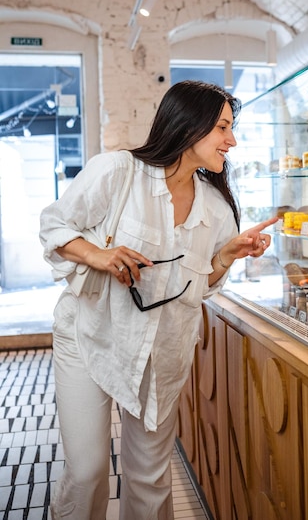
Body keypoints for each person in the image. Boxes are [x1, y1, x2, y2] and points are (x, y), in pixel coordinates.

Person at [39, 80, 277, 520]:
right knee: (89, 469)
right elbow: (55, 228)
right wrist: (100, 255)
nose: (233, 139)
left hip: (162, 350)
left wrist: (226, 254)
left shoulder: (217, 208)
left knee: (150, 475)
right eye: (223, 127)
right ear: (190, 126)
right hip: (90, 334)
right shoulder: (117, 172)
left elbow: (203, 285)